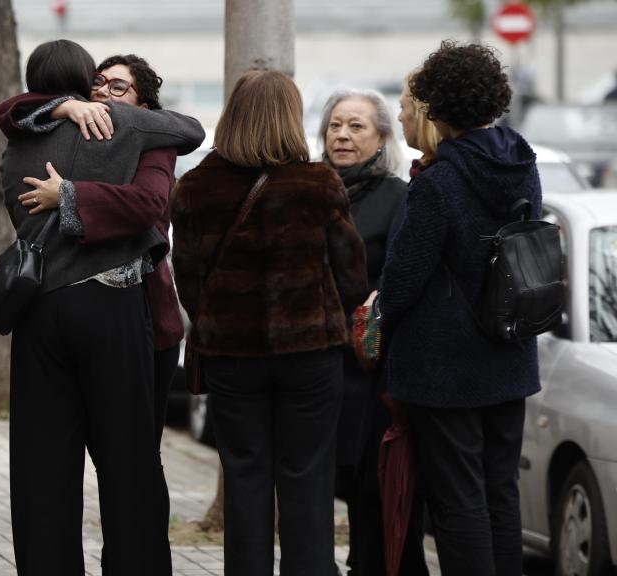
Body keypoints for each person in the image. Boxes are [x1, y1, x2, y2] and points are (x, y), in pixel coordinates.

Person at [0, 39, 203, 576]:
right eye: (97, 83)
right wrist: (106, 111)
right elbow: (192, 132)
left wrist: (69, 188)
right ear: (79, 82)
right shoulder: (132, 130)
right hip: (109, 307)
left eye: (115, 87)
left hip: (38, 311)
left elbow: (10, 111)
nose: (103, 94)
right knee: (129, 462)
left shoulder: (18, 143)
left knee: (43, 467)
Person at [171, 69, 367, 576]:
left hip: (232, 357)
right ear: (288, 117)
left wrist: (221, 317)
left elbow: (188, 281)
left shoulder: (194, 188)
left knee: (245, 476)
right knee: (306, 476)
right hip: (309, 356)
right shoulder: (317, 183)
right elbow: (351, 273)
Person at [377, 41, 541, 576]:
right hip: (509, 350)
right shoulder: (520, 161)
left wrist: (381, 323)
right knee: (500, 492)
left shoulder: (440, 183)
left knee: (458, 501)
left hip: (446, 368)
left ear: (437, 107)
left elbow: (402, 279)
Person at [317, 89, 422, 576]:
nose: (342, 134)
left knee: (369, 487)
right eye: (336, 125)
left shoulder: (396, 196)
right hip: (316, 359)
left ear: (382, 137)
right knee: (317, 479)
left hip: (369, 364)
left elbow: (399, 278)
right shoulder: (311, 189)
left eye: (356, 126)